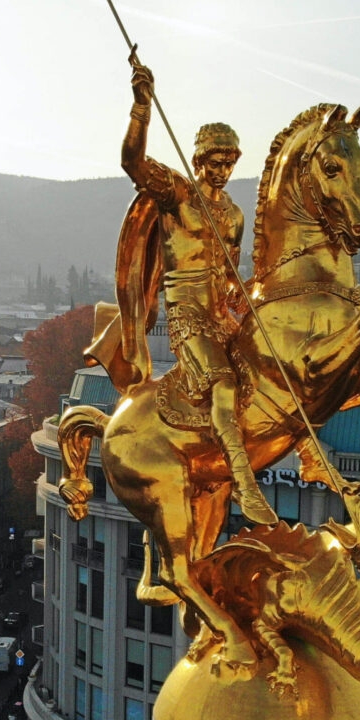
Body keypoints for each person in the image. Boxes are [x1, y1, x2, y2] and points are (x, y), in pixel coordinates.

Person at [119, 62, 276, 527]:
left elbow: (229, 275)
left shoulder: (233, 215)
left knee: (272, 369)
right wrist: (141, 109)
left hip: (219, 313)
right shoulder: (177, 194)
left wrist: (245, 302)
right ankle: (245, 486)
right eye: (216, 161)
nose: (224, 170)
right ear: (199, 159)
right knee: (224, 383)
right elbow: (132, 162)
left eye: (230, 162)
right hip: (186, 314)